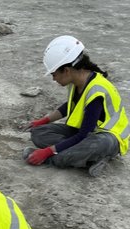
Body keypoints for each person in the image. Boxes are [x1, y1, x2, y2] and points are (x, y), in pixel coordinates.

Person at [23, 35, 129, 177]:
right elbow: (69, 106)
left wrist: (47, 152)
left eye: (54, 74)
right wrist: (43, 121)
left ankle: (59, 158)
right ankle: (85, 158)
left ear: (66, 70)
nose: (53, 79)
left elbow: (84, 134)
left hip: (108, 138)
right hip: (84, 133)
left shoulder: (96, 90)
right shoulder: (76, 82)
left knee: (79, 150)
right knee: (38, 133)